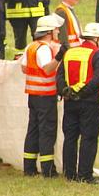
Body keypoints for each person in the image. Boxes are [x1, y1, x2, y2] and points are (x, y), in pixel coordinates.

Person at [57, 22, 99, 183]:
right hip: (88, 103)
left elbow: (59, 75)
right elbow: (97, 78)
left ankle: (69, 174)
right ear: (96, 38)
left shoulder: (70, 52)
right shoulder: (97, 54)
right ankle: (85, 175)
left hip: (69, 101)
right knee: (89, 138)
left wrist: (66, 91)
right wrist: (82, 93)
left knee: (70, 138)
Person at [20, 13, 65, 177]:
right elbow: (47, 68)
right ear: (49, 32)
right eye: (56, 30)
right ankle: (48, 169)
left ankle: (29, 167)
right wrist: (59, 58)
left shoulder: (31, 46)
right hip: (45, 96)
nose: (58, 32)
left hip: (33, 95)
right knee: (47, 131)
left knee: (33, 130)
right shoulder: (45, 48)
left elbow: (24, 68)